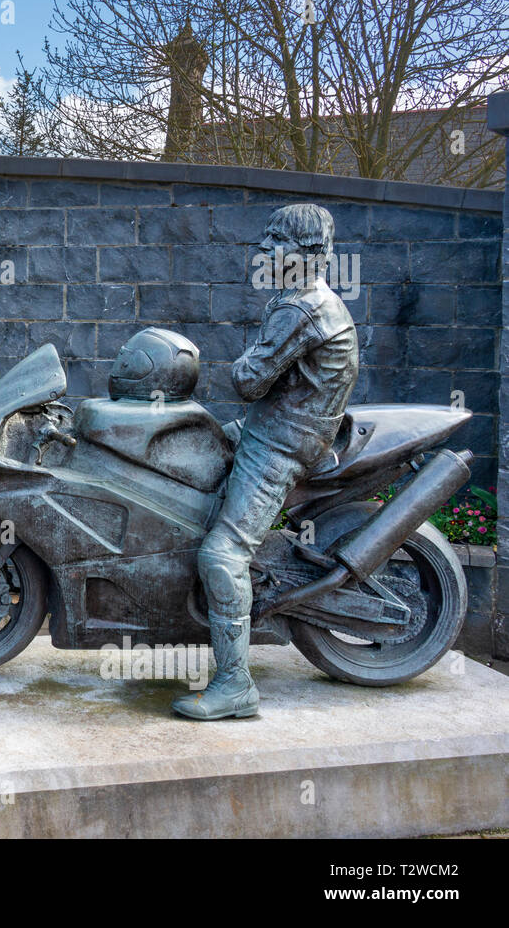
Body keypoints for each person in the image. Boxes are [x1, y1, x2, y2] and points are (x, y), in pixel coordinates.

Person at [173, 204, 359, 720]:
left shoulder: (302, 309)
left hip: (279, 444)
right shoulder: (302, 299)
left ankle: (235, 684)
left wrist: (241, 361)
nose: (263, 249)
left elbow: (248, 380)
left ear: (304, 253)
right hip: (275, 427)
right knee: (186, 452)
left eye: (274, 239)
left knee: (222, 555)